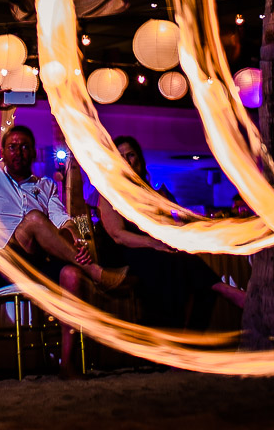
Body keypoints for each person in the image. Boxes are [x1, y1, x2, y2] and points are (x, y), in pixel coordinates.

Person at [0, 90, 126, 377]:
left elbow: (63, 221)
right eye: (12, 147)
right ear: (2, 152)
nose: (19, 151)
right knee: (34, 219)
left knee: (72, 275)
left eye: (24, 147)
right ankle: (97, 274)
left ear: (34, 153)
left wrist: (76, 240)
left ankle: (67, 364)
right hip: (6, 264)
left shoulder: (45, 186)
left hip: (39, 263)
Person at [102, 135, 243, 329]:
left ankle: (191, 335)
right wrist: (153, 243)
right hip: (125, 253)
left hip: (154, 251)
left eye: (131, 155)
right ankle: (222, 290)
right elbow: (117, 235)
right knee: (170, 265)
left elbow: (171, 224)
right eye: (121, 156)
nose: (127, 160)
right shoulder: (109, 193)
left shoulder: (152, 193)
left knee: (182, 262)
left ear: (140, 160)